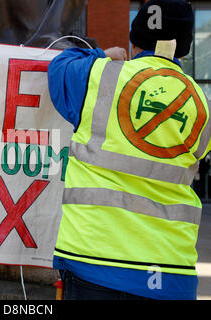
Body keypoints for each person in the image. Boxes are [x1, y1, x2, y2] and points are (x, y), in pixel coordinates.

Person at [48, 0, 211, 300]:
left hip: (93, 264)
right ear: (184, 50)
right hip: (171, 272)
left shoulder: (98, 77)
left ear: (133, 41)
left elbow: (59, 66)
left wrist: (100, 55)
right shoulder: (201, 103)